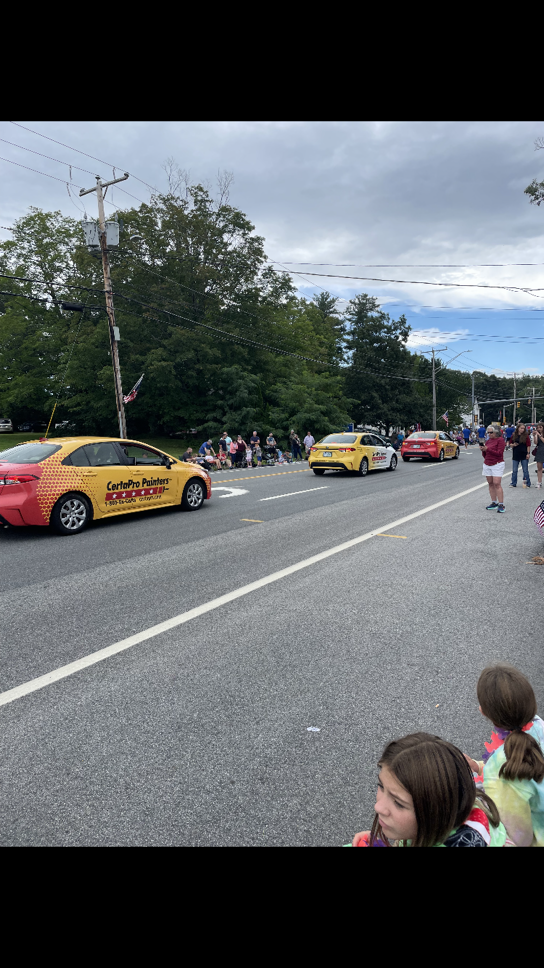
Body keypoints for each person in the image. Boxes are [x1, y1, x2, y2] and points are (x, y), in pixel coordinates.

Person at [351, 733, 505, 847]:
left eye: (398, 803)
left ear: (436, 811)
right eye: (381, 786)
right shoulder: (467, 805)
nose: (378, 807)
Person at [464, 665, 544, 847]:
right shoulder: (539, 725)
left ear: (483, 711)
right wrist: (478, 767)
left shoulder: (499, 771)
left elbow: (518, 837)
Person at [480, 424, 506, 512]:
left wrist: (488, 449)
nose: (489, 434)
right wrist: (483, 450)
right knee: (490, 483)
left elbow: (499, 453)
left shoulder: (500, 440)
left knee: (497, 483)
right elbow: (485, 454)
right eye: (488, 433)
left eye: (491, 432)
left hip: (497, 463)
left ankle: (501, 504)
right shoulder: (488, 441)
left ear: (496, 432)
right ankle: (494, 502)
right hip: (487, 463)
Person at [509, 423, 531, 488]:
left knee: (525, 470)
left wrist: (528, 453)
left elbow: (528, 445)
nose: (522, 430)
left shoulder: (526, 436)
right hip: (516, 454)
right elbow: (510, 443)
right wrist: (513, 445)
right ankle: (513, 483)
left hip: (524, 453)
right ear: (518, 428)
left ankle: (527, 483)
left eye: (523, 428)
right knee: (514, 470)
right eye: (521, 428)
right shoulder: (514, 435)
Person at [533, 422, 544, 489]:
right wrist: (535, 436)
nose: (539, 429)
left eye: (540, 427)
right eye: (538, 428)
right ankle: (539, 482)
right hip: (540, 451)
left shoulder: (541, 435)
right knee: (539, 468)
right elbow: (535, 442)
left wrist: (540, 435)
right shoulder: (538, 434)